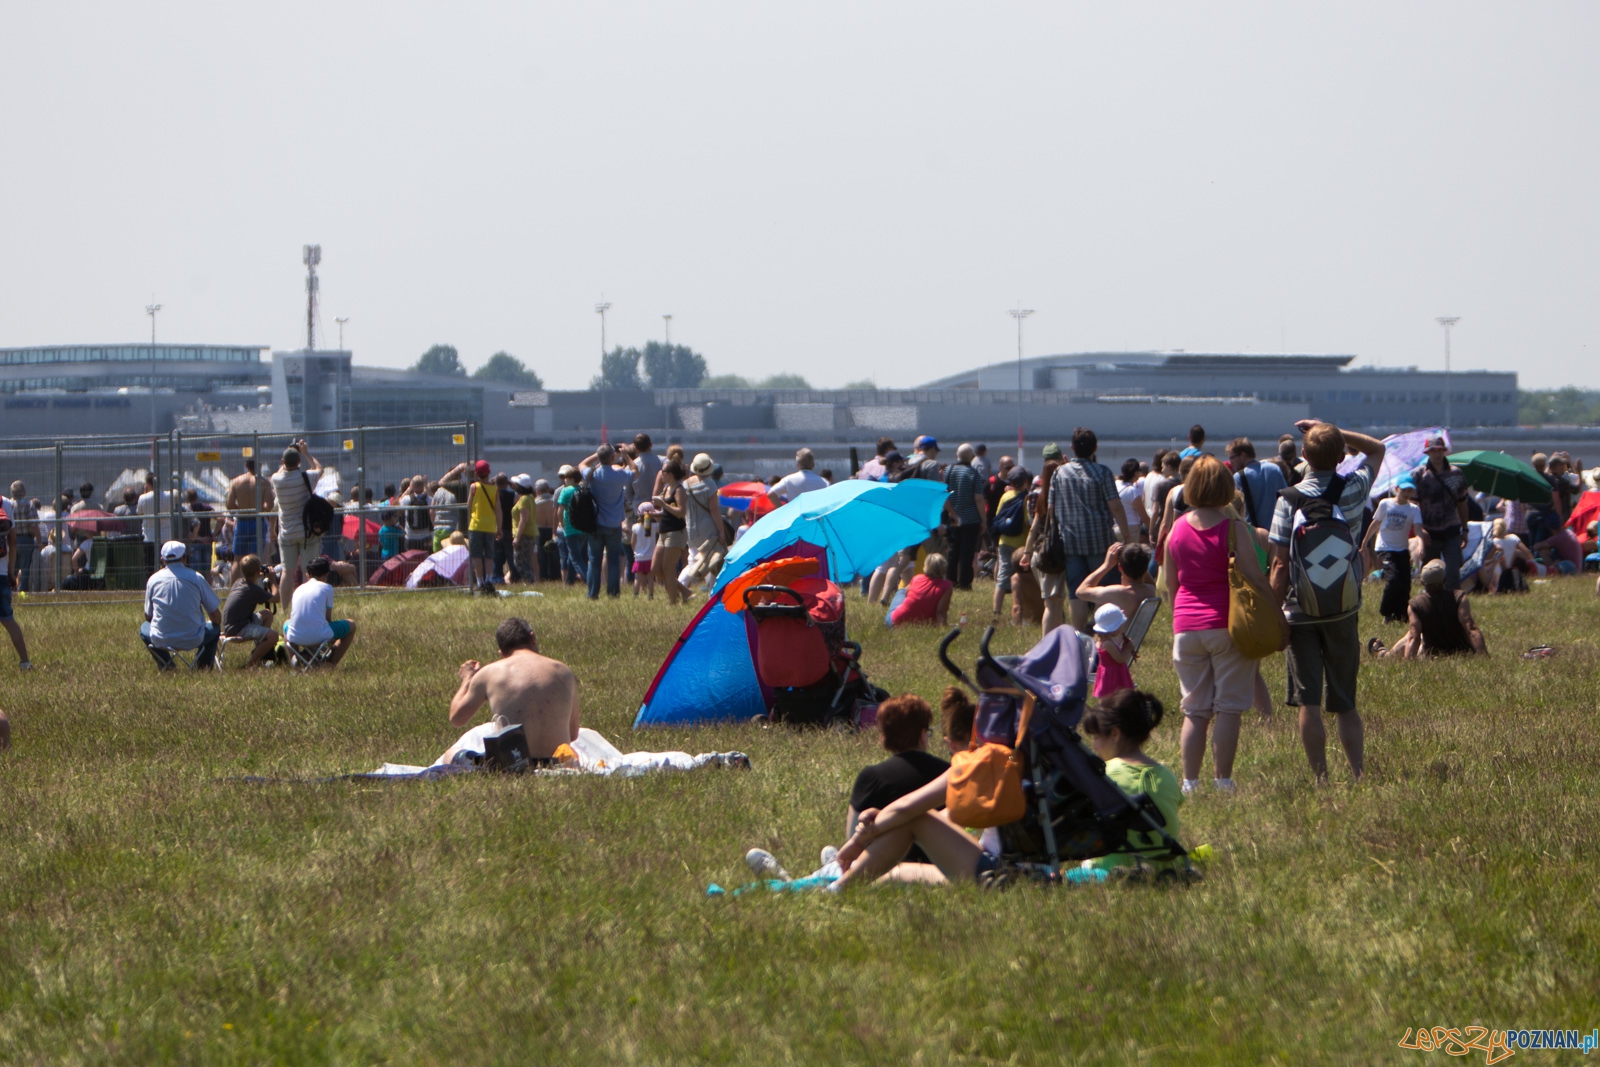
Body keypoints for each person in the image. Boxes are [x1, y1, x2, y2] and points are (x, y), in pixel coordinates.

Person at [1269, 420, 1385, 784]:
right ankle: (1358, 773)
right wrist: (1333, 430)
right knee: (1345, 702)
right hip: (1342, 606)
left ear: (1303, 455)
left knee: (1309, 702)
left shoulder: (1288, 499)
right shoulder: (1352, 489)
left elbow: (1279, 564)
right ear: (1340, 458)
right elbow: (1377, 448)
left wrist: (1275, 616)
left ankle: (1320, 778)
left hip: (1298, 609)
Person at [1166, 455, 1273, 794]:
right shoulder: (1234, 527)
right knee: (1228, 707)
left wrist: (1179, 619)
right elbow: (1255, 575)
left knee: (1195, 710)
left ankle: (1189, 783)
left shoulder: (1176, 529)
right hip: (1226, 626)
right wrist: (1275, 609)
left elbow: (1171, 585)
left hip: (1186, 626)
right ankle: (1223, 781)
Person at [1024, 427, 1132, 635]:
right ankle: (1104, 632)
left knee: (1077, 592)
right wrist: (1127, 535)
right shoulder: (1102, 472)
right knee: (1103, 589)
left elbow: (1052, 508)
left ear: (1072, 448)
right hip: (1100, 540)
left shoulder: (1059, 473)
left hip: (1070, 542)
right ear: (1095, 448)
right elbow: (1115, 506)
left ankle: (1078, 634)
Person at [447, 617, 580, 761]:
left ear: (501, 652)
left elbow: (456, 719)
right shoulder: (564, 672)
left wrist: (467, 680)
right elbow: (572, 734)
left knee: (450, 754)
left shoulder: (490, 672)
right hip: (557, 761)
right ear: (532, 637)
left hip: (512, 764)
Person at [1080, 690, 1183, 872]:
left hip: (1112, 866)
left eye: (1096, 737)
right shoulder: (1167, 775)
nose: (1094, 746)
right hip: (1163, 863)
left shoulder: (1105, 775)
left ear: (1115, 734)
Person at [845, 693, 951, 868]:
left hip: (881, 866)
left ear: (883, 737)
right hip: (941, 864)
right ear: (923, 735)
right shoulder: (947, 772)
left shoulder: (871, 777)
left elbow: (852, 836)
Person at [1370, 559, 1488, 659]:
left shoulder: (1415, 604)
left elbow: (1413, 638)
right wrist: (1483, 657)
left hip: (1433, 656)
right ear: (1444, 580)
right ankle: (1385, 654)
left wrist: (1408, 664)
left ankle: (1385, 655)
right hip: (1463, 653)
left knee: (1411, 633)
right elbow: (1470, 627)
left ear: (1422, 582)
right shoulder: (1459, 597)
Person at [140, 540, 221, 670]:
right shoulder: (197, 578)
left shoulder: (153, 580)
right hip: (193, 638)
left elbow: (148, 616)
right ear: (184, 557)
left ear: (162, 559)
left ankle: (167, 665)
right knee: (214, 629)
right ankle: (202, 666)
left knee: (144, 628)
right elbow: (215, 615)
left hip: (162, 640)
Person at [1361, 475, 1428, 622]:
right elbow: (1375, 524)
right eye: (1404, 490)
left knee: (1405, 584)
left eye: (1410, 491)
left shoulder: (1413, 509)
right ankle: (1386, 612)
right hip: (1385, 548)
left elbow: (1418, 530)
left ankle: (1401, 615)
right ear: (1396, 489)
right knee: (1393, 580)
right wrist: (1365, 542)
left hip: (1402, 549)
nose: (1407, 493)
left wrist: (1421, 545)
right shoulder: (1385, 504)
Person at [269, 440, 323, 617]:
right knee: (310, 571)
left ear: (283, 462)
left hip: (286, 533)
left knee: (287, 571)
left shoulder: (276, 480)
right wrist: (306, 452)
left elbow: (279, 471)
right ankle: (307, 609)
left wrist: (289, 455)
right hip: (307, 532)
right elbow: (319, 469)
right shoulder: (305, 478)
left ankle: (285, 610)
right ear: (299, 462)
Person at [1412, 436, 1470, 591]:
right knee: (1428, 574)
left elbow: (1462, 503)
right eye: (1433, 451)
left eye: (1439, 450)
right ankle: (1429, 605)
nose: (1437, 454)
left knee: (1453, 571)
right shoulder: (1419, 475)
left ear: (1444, 451)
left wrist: (1465, 529)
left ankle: (1453, 605)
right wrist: (1420, 530)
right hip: (1429, 532)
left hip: (1451, 530)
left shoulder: (1456, 474)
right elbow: (1413, 505)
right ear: (1427, 453)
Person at [579, 444, 633, 599]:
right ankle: (613, 592)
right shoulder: (619, 475)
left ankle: (592, 593)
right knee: (613, 560)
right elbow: (635, 470)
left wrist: (597, 455)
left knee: (594, 560)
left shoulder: (593, 474)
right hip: (614, 524)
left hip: (595, 524)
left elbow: (581, 464)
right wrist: (625, 455)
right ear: (612, 457)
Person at [282, 555, 356, 666]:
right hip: (319, 635)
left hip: (295, 637)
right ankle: (330, 663)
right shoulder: (327, 588)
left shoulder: (298, 589)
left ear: (308, 575)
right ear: (326, 575)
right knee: (352, 625)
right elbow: (327, 619)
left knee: (286, 623)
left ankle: (295, 660)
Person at [679, 453, 730, 592]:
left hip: (691, 528)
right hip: (708, 528)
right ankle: (712, 591)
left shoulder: (685, 484)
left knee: (692, 561)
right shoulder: (710, 484)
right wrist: (721, 531)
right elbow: (714, 509)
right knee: (713, 560)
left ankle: (680, 585)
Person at [1073, 541, 1156, 622]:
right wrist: (1139, 561)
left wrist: (1106, 565)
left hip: (1115, 636)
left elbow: (1080, 592)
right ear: (1145, 568)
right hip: (1133, 636)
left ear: (1120, 567)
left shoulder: (1117, 592)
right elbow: (1148, 579)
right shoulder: (1150, 591)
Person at [221, 553, 278, 668]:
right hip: (238, 629)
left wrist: (258, 573)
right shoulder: (253, 590)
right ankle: (251, 664)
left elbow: (251, 577)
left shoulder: (239, 582)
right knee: (273, 636)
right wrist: (272, 580)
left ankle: (262, 652)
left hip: (230, 625)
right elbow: (276, 598)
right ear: (258, 572)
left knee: (267, 614)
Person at [942, 443, 986, 590]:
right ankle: (965, 583)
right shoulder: (973, 473)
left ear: (957, 455)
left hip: (953, 519)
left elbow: (944, 495)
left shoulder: (949, 470)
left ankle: (950, 581)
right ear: (971, 457)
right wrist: (983, 520)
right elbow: (978, 498)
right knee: (967, 552)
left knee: (953, 551)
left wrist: (951, 512)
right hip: (971, 518)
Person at [990, 466, 1032, 619]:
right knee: (1022, 578)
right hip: (1020, 544)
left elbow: (998, 516)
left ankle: (996, 612)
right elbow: (1028, 522)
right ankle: (1022, 609)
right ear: (1026, 481)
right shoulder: (1026, 498)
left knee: (1002, 576)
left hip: (1004, 541)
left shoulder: (1005, 496)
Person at [650, 460, 691, 605]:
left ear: (671, 475)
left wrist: (663, 505)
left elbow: (681, 512)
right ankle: (684, 591)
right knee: (655, 568)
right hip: (664, 531)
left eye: (664, 472)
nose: (661, 474)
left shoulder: (679, 489)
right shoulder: (666, 488)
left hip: (676, 532)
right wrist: (656, 514)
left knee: (668, 569)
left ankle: (673, 602)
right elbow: (668, 511)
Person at [1228, 437, 1288, 532]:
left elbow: (1237, 511)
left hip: (1255, 536)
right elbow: (1287, 500)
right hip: (1277, 532)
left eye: (1231, 457)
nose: (1231, 462)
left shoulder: (1239, 477)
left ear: (1243, 455)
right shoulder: (1274, 469)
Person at [0, 493, 32, 670]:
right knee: (7, 619)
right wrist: (11, 572)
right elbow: (12, 541)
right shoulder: (4, 502)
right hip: (2, 573)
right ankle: (25, 662)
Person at [886, 553, 953, 628]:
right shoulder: (946, 586)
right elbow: (941, 613)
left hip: (894, 622)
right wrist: (943, 628)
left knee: (902, 590)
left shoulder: (917, 578)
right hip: (924, 624)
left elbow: (906, 593)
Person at [225, 459, 275, 559]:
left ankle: (237, 575)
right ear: (260, 466)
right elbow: (270, 505)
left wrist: (242, 509)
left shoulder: (236, 481)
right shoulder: (264, 483)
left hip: (242, 521)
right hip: (257, 521)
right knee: (256, 558)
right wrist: (259, 509)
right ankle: (257, 575)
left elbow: (229, 504)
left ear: (246, 465)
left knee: (237, 559)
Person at [1091, 603, 1135, 698]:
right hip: (1112, 676)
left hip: (1112, 672)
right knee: (1112, 697)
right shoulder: (1107, 644)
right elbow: (1120, 659)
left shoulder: (1106, 641)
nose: (1120, 627)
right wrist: (1128, 649)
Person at [554, 465, 588, 587]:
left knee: (576, 558)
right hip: (584, 529)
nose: (564, 480)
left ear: (572, 479)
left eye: (567, 478)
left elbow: (560, 510)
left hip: (570, 528)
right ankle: (569, 583)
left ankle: (589, 581)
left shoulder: (566, 490)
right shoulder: (583, 489)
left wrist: (562, 524)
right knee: (571, 556)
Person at [8, 482, 38, 595]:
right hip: (26, 539)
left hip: (11, 538)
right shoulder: (29, 505)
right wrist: (39, 542)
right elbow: (34, 525)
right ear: (24, 492)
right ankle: (22, 592)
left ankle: (11, 590)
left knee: (12, 567)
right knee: (25, 567)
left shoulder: (9, 505)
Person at [626, 433, 664, 521]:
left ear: (635, 448)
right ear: (650, 445)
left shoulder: (630, 467)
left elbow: (628, 493)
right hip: (658, 510)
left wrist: (635, 502)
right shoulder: (663, 462)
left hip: (640, 511)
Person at [532, 479, 559, 581]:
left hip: (539, 530)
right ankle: (556, 577)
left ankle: (543, 577)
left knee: (541, 557)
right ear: (548, 488)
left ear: (537, 491)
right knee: (554, 555)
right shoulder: (554, 501)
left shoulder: (535, 503)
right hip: (553, 529)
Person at [1117, 458, 1150, 541]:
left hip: (1116, 526)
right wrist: (1152, 530)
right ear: (1135, 473)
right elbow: (1143, 515)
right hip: (1131, 527)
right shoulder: (1132, 491)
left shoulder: (1116, 484)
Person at [494, 472, 518, 585]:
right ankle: (515, 578)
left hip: (496, 529)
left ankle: (497, 578)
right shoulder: (512, 495)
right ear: (507, 483)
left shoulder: (494, 495)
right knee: (511, 557)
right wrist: (512, 485)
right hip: (509, 528)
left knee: (497, 557)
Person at [631, 502, 659, 599]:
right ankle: (650, 595)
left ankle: (636, 594)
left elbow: (632, 542)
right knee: (651, 578)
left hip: (639, 557)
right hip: (651, 557)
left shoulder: (635, 527)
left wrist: (634, 551)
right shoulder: (654, 526)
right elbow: (660, 524)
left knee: (638, 578)